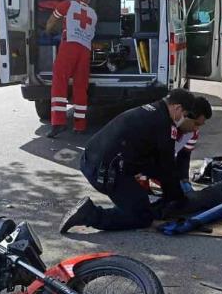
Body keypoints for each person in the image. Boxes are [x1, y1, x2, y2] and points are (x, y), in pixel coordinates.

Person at [59, 89, 197, 233]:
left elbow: (153, 164)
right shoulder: (164, 125)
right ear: (178, 108)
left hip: (92, 160)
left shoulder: (152, 110)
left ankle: (125, 208)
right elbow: (166, 168)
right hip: (104, 171)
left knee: (141, 202)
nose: (184, 119)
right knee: (141, 217)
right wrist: (179, 199)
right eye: (185, 115)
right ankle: (89, 214)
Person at [46, 0, 97, 138]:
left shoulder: (67, 4)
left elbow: (52, 21)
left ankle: (58, 123)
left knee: (59, 81)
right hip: (85, 50)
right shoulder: (93, 14)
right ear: (88, 0)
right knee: (81, 86)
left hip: (69, 46)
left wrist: (47, 32)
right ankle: (80, 126)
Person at [140, 96, 213, 194]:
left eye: (199, 125)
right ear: (185, 116)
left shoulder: (192, 133)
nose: (196, 129)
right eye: (195, 123)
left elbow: (184, 155)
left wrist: (184, 179)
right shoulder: (161, 125)